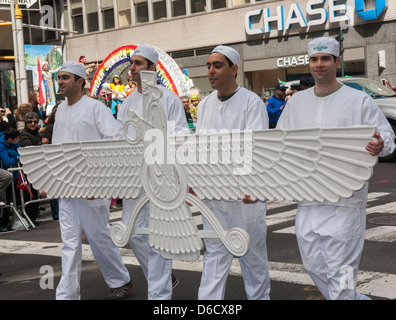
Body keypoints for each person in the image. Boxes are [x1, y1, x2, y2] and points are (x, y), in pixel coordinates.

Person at [277, 37, 396, 300]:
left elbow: (386, 138)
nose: (319, 64)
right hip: (308, 200)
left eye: (325, 59)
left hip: (345, 202)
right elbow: (280, 142)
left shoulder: (359, 100)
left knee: (341, 277)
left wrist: (380, 143)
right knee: (313, 265)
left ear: (336, 62)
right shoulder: (297, 103)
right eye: (314, 59)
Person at [52, 61, 133, 300]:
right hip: (66, 186)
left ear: (80, 81)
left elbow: (113, 141)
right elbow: (56, 149)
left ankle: (121, 280)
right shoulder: (61, 110)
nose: (61, 82)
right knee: (69, 243)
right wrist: (51, 178)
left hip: (93, 187)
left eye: (65, 77)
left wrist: (101, 182)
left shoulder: (96, 108)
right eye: (59, 78)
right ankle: (67, 294)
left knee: (99, 237)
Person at [195, 45, 270, 300]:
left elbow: (255, 150)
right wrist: (194, 182)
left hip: (244, 197)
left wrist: (253, 186)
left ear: (234, 69)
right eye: (208, 66)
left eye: (217, 65)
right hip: (214, 198)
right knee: (215, 256)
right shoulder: (204, 105)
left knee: (253, 257)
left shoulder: (251, 102)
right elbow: (198, 150)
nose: (211, 71)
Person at [116, 44, 189, 300]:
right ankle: (163, 279)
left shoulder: (167, 99)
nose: (132, 68)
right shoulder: (126, 103)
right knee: (133, 233)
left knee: (158, 237)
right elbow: (118, 138)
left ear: (152, 68)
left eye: (138, 63)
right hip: (134, 179)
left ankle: (159, 297)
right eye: (131, 63)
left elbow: (181, 134)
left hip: (161, 177)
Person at [19, 112, 48, 225]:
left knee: (35, 195)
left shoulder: (37, 132)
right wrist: (42, 143)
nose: (32, 124)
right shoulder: (24, 134)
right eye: (30, 122)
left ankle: (32, 218)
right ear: (25, 123)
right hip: (29, 167)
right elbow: (29, 149)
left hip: (38, 166)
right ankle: (29, 219)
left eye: (35, 122)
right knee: (29, 195)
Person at [0, 128, 21, 231]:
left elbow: (21, 155)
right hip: (5, 176)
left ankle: (16, 221)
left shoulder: (15, 142)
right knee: (6, 200)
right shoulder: (1, 145)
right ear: (9, 139)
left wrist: (12, 153)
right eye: (16, 139)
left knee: (17, 198)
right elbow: (7, 162)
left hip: (15, 175)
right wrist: (15, 156)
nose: (18, 141)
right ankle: (4, 223)